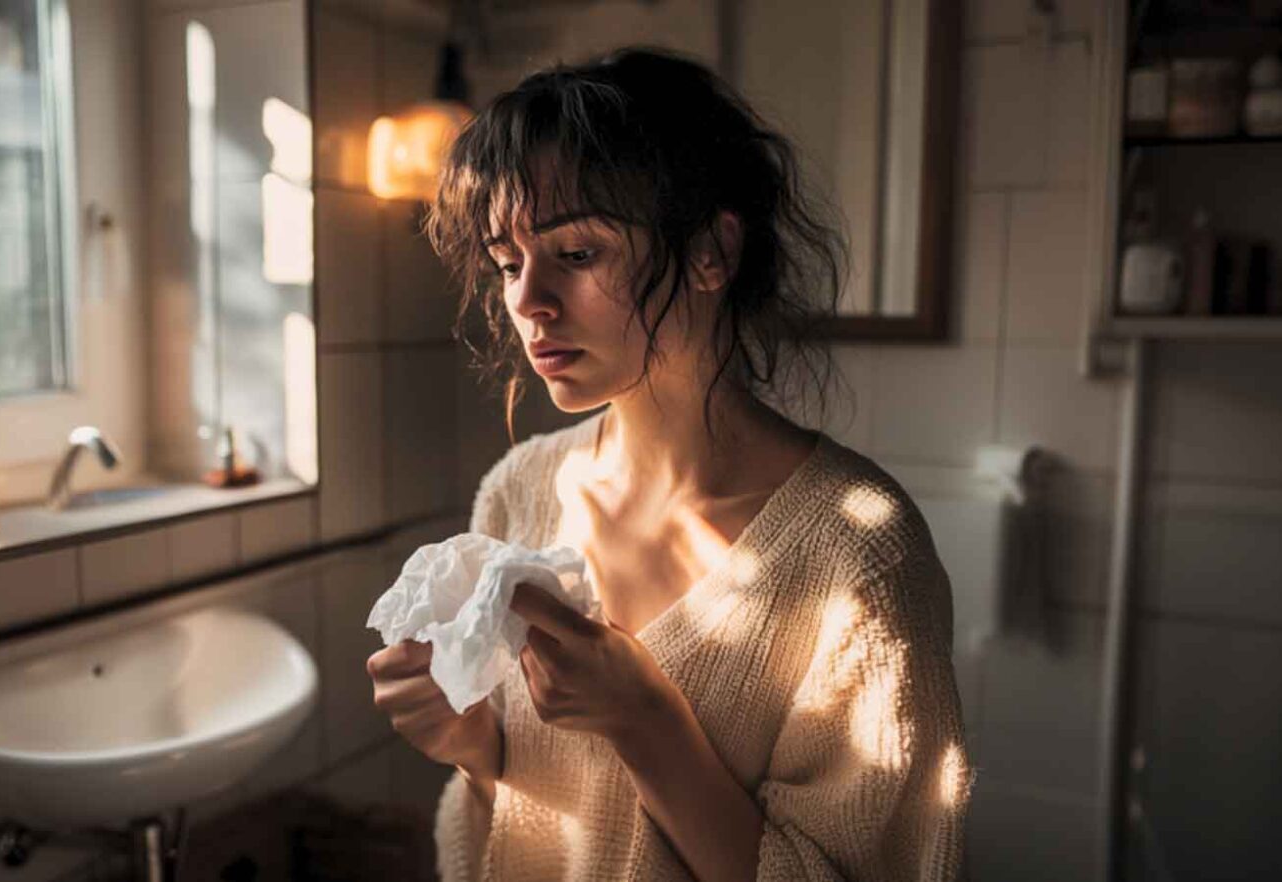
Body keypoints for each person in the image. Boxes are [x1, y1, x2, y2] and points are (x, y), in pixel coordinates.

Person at [365, 47, 971, 882]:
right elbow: (520, 825)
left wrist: (648, 719)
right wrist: (475, 749)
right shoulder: (518, 492)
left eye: (577, 255)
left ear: (712, 252)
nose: (529, 302)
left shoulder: (860, 556)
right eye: (509, 264)